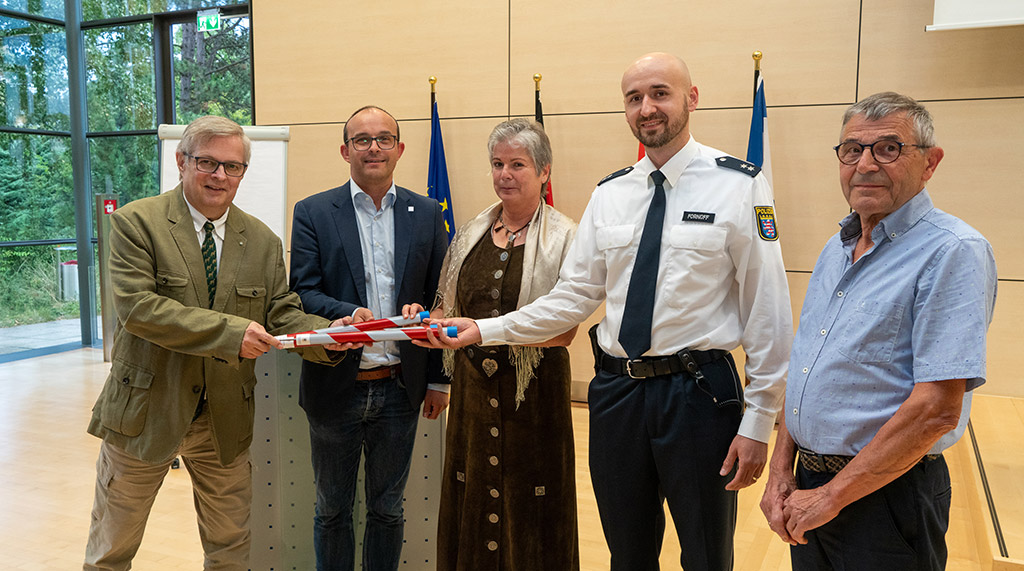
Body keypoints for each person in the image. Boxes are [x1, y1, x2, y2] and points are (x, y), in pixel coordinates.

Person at [426, 53, 793, 571]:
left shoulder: (739, 185)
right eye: (634, 97)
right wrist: (483, 329)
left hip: (698, 394)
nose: (647, 108)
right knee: (627, 550)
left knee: (708, 555)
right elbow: (573, 296)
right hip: (618, 395)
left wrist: (759, 419)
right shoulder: (611, 193)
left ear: (692, 98)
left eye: (660, 93)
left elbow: (768, 309)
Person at [84, 115, 349, 571]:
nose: (220, 176)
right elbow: (138, 309)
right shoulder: (136, 223)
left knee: (229, 548)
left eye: (233, 167)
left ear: (244, 172)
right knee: (112, 546)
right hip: (145, 412)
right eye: (208, 162)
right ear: (181, 161)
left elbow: (280, 312)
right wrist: (231, 334)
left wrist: (329, 333)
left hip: (223, 417)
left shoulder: (263, 241)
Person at [759, 92, 997, 570]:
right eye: (851, 149)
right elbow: (807, 364)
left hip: (886, 497)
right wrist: (781, 467)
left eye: (888, 148)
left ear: (930, 163)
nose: (865, 164)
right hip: (811, 484)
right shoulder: (836, 246)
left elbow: (936, 410)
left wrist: (832, 497)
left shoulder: (953, 252)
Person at [407, 118, 579, 570]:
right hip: (472, 395)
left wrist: (483, 329)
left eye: (517, 164)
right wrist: (427, 325)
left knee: (534, 504)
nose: (505, 173)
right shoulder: (469, 233)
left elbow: (563, 331)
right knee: (471, 493)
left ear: (544, 171)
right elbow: (445, 310)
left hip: (534, 397)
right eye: (498, 163)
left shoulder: (566, 236)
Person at [289, 105, 450, 571]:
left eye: (384, 138)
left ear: (400, 148)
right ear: (345, 151)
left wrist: (439, 379)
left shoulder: (427, 213)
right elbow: (302, 292)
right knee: (332, 510)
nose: (373, 147)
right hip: (335, 386)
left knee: (387, 509)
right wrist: (347, 314)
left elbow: (441, 297)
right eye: (361, 139)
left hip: (401, 387)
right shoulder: (314, 212)